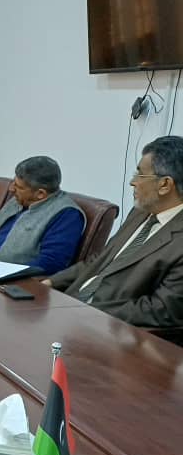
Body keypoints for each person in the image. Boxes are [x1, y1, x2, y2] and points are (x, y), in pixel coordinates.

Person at [44, 135, 183, 327]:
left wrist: (87, 311)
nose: (133, 182)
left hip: (107, 327)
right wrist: (50, 282)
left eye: (140, 175)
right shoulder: (140, 212)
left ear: (165, 185)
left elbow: (162, 310)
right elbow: (100, 260)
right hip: (68, 306)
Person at [0, 156, 85, 275]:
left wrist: (1, 273)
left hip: (8, 278)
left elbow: (51, 263)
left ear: (40, 193)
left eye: (19, 187)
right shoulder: (18, 200)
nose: (11, 189)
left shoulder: (67, 215)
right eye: (13, 182)